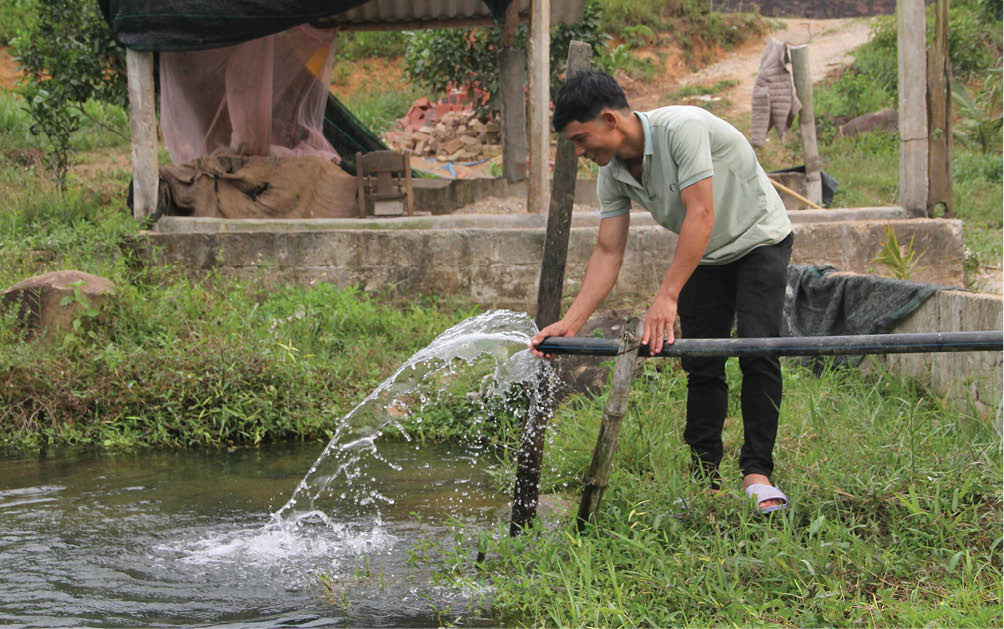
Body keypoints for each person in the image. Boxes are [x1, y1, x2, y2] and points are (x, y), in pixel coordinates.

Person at [529, 70, 793, 513]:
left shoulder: (681, 129)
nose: (579, 150)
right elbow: (608, 251)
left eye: (580, 138)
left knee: (757, 347)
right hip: (706, 255)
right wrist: (570, 324)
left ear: (611, 120)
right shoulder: (611, 173)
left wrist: (667, 295)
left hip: (758, 239)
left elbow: (702, 214)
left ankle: (757, 474)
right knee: (701, 361)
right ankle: (705, 477)